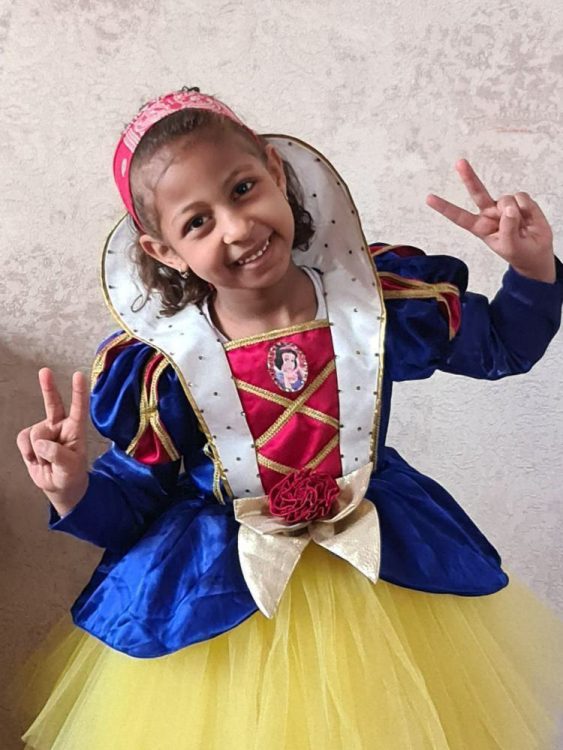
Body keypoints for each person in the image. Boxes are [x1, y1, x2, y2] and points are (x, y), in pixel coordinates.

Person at [15, 86, 563, 749]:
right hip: (220, 597)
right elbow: (134, 503)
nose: (237, 227)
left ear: (275, 173)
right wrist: (74, 488)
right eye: (198, 222)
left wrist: (531, 271)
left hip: (383, 573)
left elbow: (500, 346)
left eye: (243, 189)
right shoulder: (166, 364)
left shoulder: (374, 303)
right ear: (163, 251)